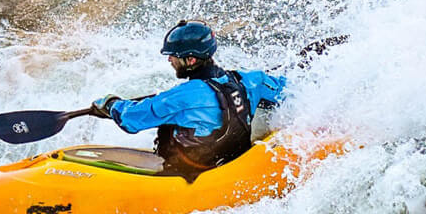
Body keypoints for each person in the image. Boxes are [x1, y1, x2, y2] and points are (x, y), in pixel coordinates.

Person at [90, 21, 286, 180]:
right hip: (231, 165)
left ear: (191, 60)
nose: (170, 61)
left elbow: (130, 120)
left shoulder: (182, 97)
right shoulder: (249, 80)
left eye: (174, 56)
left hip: (191, 174)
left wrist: (110, 104)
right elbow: (284, 91)